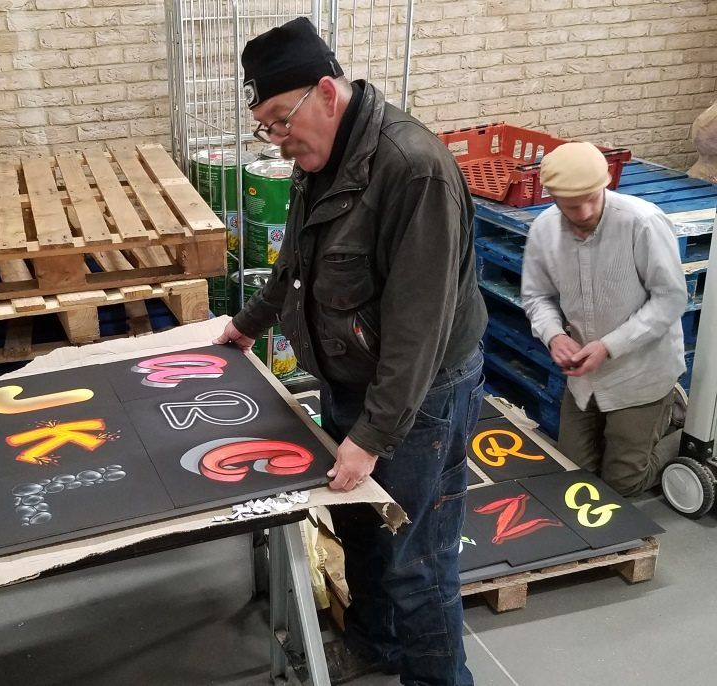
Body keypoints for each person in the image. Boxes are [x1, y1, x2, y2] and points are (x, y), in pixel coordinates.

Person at [214, 17, 487, 686]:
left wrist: (372, 435)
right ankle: (376, 645)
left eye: (283, 120)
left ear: (328, 92)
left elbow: (420, 326)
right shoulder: (327, 155)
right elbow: (298, 255)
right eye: (267, 128)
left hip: (419, 397)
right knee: (363, 529)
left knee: (417, 560)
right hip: (354, 380)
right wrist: (249, 323)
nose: (278, 142)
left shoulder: (413, 170)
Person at [521, 142, 688, 496]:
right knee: (573, 476)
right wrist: (554, 335)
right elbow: (536, 297)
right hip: (585, 377)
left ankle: (680, 427)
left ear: (607, 182)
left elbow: (670, 298)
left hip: (641, 372)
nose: (582, 212)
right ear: (550, 195)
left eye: (591, 199)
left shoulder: (643, 223)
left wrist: (610, 347)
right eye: (570, 205)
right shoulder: (543, 231)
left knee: (623, 484)